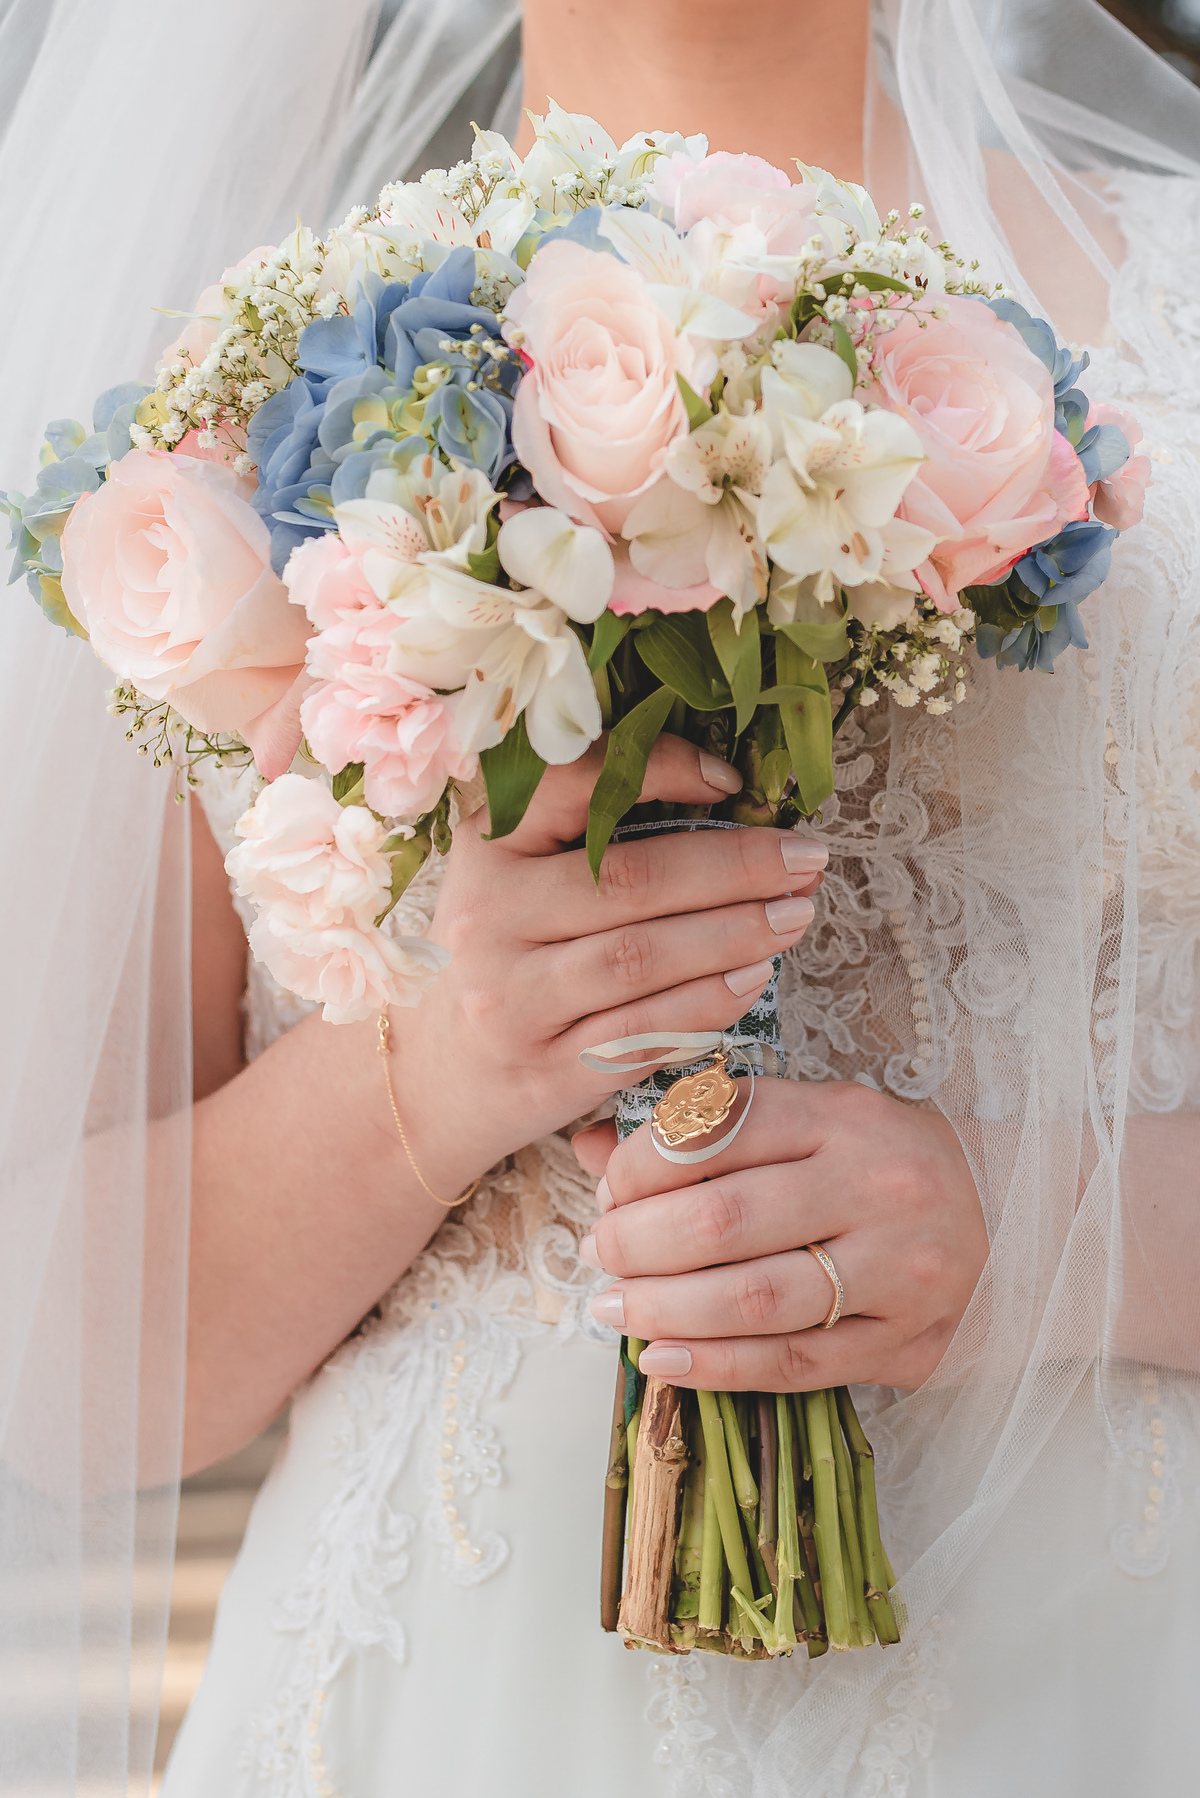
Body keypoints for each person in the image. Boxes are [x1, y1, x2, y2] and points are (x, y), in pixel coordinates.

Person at [2, 1, 1199, 1794]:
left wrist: (1042, 1235)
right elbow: (68, 1371)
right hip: (459, 1695)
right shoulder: (206, 426)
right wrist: (428, 1075)